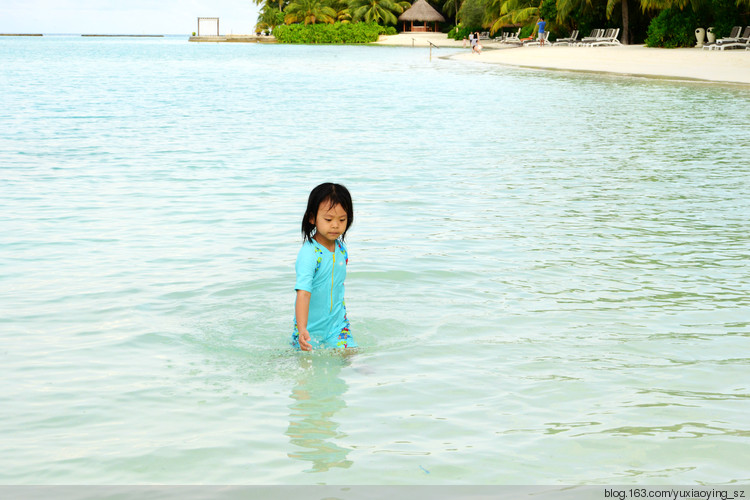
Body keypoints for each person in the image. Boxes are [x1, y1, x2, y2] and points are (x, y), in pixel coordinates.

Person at [292, 183, 357, 351]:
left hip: (338, 327)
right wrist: (302, 329)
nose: (335, 225)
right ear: (312, 218)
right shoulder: (310, 253)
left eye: (342, 219)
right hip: (309, 329)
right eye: (328, 219)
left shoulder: (342, 249)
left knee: (354, 362)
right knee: (306, 369)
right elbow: (303, 293)